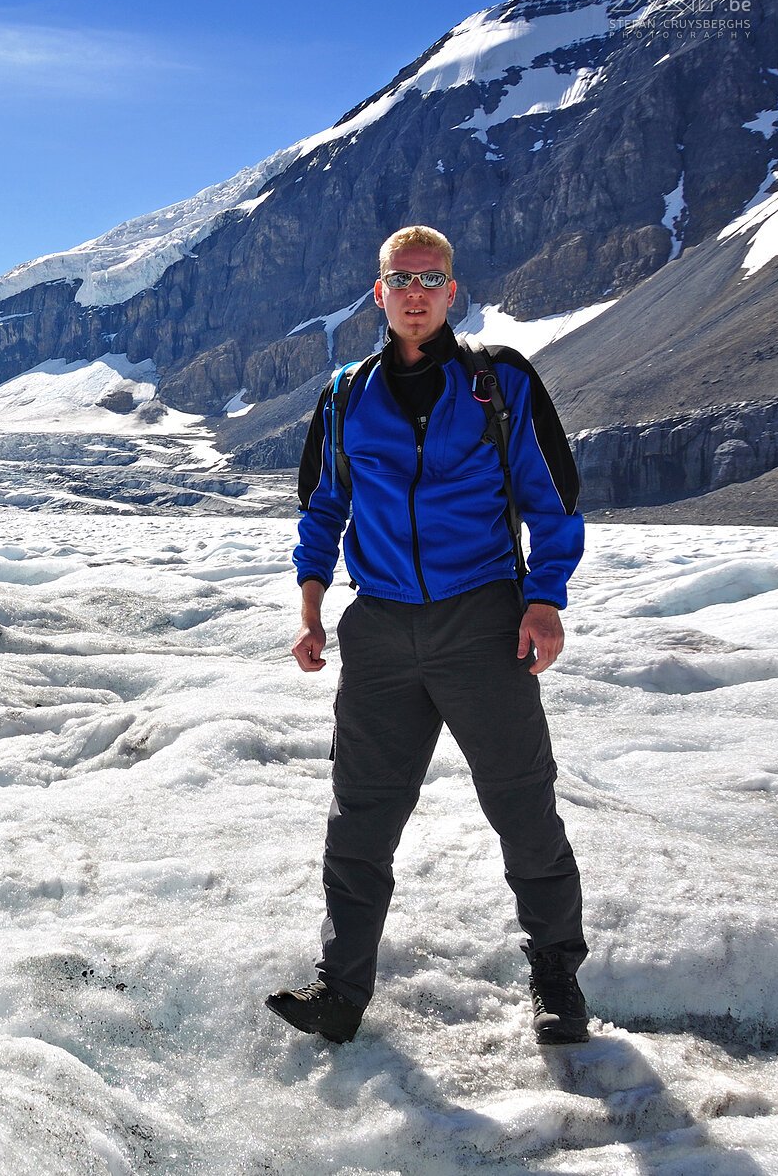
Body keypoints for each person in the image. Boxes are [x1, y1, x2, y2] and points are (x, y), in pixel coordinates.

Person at [268, 225, 592, 1046]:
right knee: (359, 822)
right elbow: (322, 511)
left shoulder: (499, 382)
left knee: (523, 809)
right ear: (378, 294)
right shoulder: (346, 392)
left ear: (454, 292)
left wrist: (543, 598)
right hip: (377, 629)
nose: (415, 291)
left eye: (431, 277)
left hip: (481, 619)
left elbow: (552, 498)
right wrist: (310, 612)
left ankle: (557, 978)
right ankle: (339, 993)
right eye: (400, 278)